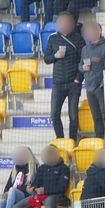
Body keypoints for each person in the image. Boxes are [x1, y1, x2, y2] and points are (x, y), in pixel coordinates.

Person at [42, 12, 84, 140]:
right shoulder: (52, 38)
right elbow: (47, 59)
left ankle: (72, 140)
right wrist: (56, 56)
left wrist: (78, 79)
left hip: (73, 83)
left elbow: (83, 61)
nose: (63, 24)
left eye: (66, 22)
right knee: (54, 114)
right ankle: (60, 139)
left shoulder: (78, 39)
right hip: (58, 83)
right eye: (61, 22)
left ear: (71, 23)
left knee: (73, 115)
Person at [80, 22, 105, 140]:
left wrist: (102, 85)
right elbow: (80, 67)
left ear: (99, 32)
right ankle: (99, 139)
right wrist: (83, 68)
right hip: (89, 87)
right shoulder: (85, 49)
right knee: (96, 116)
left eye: (92, 31)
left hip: (101, 88)